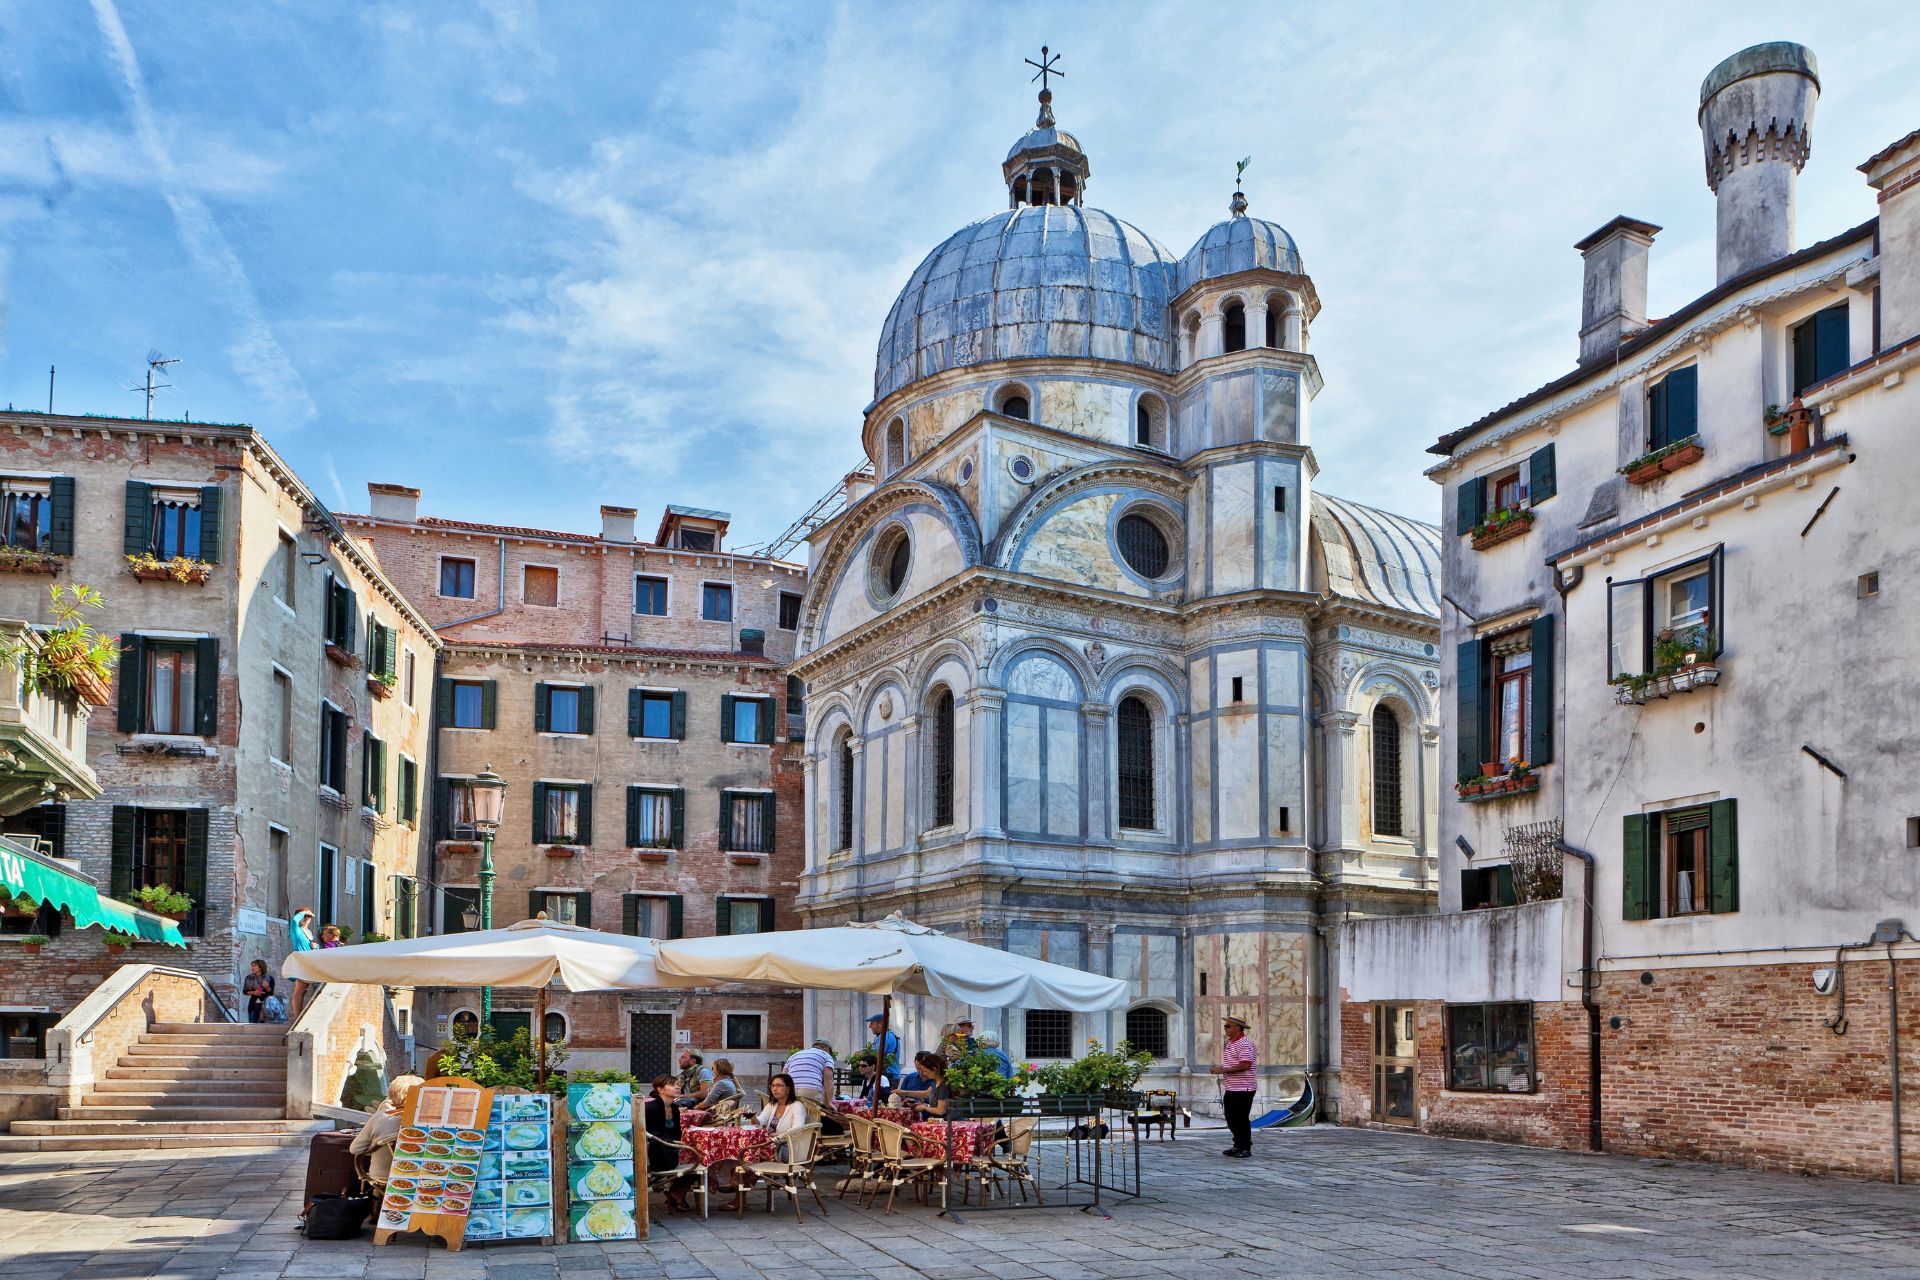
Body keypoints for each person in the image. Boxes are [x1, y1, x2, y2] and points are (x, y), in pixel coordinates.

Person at [349, 1073, 424, 1192]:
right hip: (418, 1178)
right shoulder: (425, 1122)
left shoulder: (379, 1118)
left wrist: (377, 1146)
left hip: (382, 1178)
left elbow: (355, 1149)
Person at [643, 1076, 695, 1212]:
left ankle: (676, 1193)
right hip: (654, 1153)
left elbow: (677, 1134)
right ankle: (676, 1194)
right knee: (691, 1158)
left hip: (670, 1149)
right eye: (672, 1085)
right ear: (660, 1089)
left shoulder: (674, 1108)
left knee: (697, 1157)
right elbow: (648, 1135)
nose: (677, 1087)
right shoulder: (651, 1108)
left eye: (678, 1084)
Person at [1210, 1014, 1258, 1158]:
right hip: (1232, 1087)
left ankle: (1245, 1148)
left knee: (1241, 1118)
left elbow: (1245, 1064)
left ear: (1237, 1028)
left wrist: (1222, 1070)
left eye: (1227, 1026)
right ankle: (1237, 1145)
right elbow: (1234, 1064)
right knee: (1231, 1118)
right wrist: (1220, 1068)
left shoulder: (1245, 1043)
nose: (1225, 1028)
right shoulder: (1231, 1043)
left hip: (1244, 1088)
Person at [784, 1037, 835, 1103]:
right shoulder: (826, 1055)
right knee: (818, 1110)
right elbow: (828, 1080)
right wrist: (829, 1102)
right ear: (827, 1049)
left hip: (790, 1090)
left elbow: (783, 1076)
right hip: (811, 1089)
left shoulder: (794, 1055)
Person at [286, 907, 316, 1021]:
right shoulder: (296, 928)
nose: (307, 918)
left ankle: (299, 1016)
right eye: (305, 916)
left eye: (309, 916)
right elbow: (294, 920)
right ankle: (297, 1018)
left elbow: (310, 947)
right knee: (300, 989)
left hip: (309, 961)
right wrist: (304, 912)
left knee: (304, 990)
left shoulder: (308, 932)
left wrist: (316, 946)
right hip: (300, 960)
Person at [904, 1051, 951, 1121]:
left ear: (935, 1069)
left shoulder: (943, 1085)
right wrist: (903, 1092)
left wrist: (924, 1107)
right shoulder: (936, 1081)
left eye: (926, 1071)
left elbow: (940, 1111)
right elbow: (927, 1093)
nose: (924, 1073)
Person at [242, 959, 274, 1024]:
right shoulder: (249, 978)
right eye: (252, 966)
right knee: (252, 1025)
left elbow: (271, 993)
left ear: (261, 967)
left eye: (254, 966)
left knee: (263, 1027)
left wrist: (267, 987)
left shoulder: (269, 978)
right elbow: (245, 991)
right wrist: (254, 992)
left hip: (265, 1005)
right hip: (253, 1004)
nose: (252, 968)